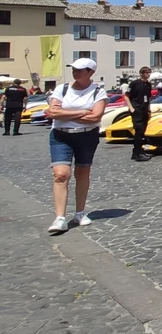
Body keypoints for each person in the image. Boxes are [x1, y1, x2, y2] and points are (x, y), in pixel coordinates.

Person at [46, 58, 108, 234]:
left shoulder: (98, 92)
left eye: (80, 70)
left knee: (82, 173)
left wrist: (64, 114)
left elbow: (95, 117)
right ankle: (60, 218)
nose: (76, 72)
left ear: (91, 72)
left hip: (87, 136)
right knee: (60, 174)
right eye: (74, 69)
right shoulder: (62, 89)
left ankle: (80, 212)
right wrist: (81, 112)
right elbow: (52, 112)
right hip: (61, 135)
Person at [126, 66, 154, 162]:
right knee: (139, 131)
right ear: (141, 73)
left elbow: (149, 98)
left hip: (144, 110)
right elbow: (126, 96)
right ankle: (138, 153)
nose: (148, 74)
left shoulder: (148, 84)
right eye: (146, 72)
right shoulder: (135, 83)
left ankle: (137, 151)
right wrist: (131, 108)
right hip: (136, 110)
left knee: (142, 132)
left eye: (149, 72)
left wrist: (149, 110)